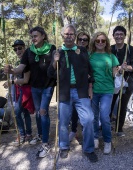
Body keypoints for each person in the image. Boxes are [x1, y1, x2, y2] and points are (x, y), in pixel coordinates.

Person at [48, 24, 98, 162]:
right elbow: (50, 74)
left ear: (74, 36)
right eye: (66, 34)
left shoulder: (82, 50)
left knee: (88, 119)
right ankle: (63, 147)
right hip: (65, 91)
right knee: (63, 121)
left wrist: (90, 88)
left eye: (71, 34)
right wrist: (55, 62)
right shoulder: (57, 52)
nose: (69, 36)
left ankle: (88, 149)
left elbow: (89, 71)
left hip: (81, 91)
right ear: (62, 36)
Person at [4, 27, 56, 158]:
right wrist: (11, 70)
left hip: (48, 86)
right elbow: (21, 67)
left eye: (36, 36)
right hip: (35, 87)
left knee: (43, 112)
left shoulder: (52, 48)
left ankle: (45, 143)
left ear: (43, 36)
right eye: (32, 36)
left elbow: (56, 66)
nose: (33, 38)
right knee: (38, 113)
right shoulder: (29, 52)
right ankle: (40, 135)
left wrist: (57, 59)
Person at [89, 32, 119, 154]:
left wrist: (120, 70)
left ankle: (107, 141)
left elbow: (114, 74)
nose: (100, 43)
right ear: (94, 42)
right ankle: (95, 137)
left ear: (106, 42)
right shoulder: (89, 56)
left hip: (107, 90)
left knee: (104, 117)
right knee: (94, 117)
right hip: (94, 90)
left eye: (103, 40)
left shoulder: (111, 56)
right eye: (98, 41)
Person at [110, 26, 133, 136]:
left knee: (122, 106)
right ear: (113, 36)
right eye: (116, 34)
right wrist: (118, 69)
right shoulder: (110, 49)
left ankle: (119, 128)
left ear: (124, 36)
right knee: (109, 104)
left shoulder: (130, 49)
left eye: (121, 34)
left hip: (127, 82)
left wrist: (126, 68)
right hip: (113, 82)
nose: (119, 36)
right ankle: (105, 126)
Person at [4, 40, 34, 144]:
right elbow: (18, 76)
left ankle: (22, 135)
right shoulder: (20, 62)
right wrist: (12, 71)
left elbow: (25, 80)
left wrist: (11, 82)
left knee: (16, 112)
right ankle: (28, 134)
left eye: (20, 48)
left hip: (26, 91)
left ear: (24, 48)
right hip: (20, 90)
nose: (17, 50)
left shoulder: (27, 60)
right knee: (25, 113)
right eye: (15, 49)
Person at [69, 31, 91, 141]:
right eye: (80, 39)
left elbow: (91, 70)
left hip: (87, 87)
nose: (82, 41)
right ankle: (73, 130)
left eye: (85, 40)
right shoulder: (72, 51)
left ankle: (85, 131)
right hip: (74, 87)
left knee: (86, 113)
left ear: (88, 42)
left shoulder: (89, 54)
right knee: (74, 110)